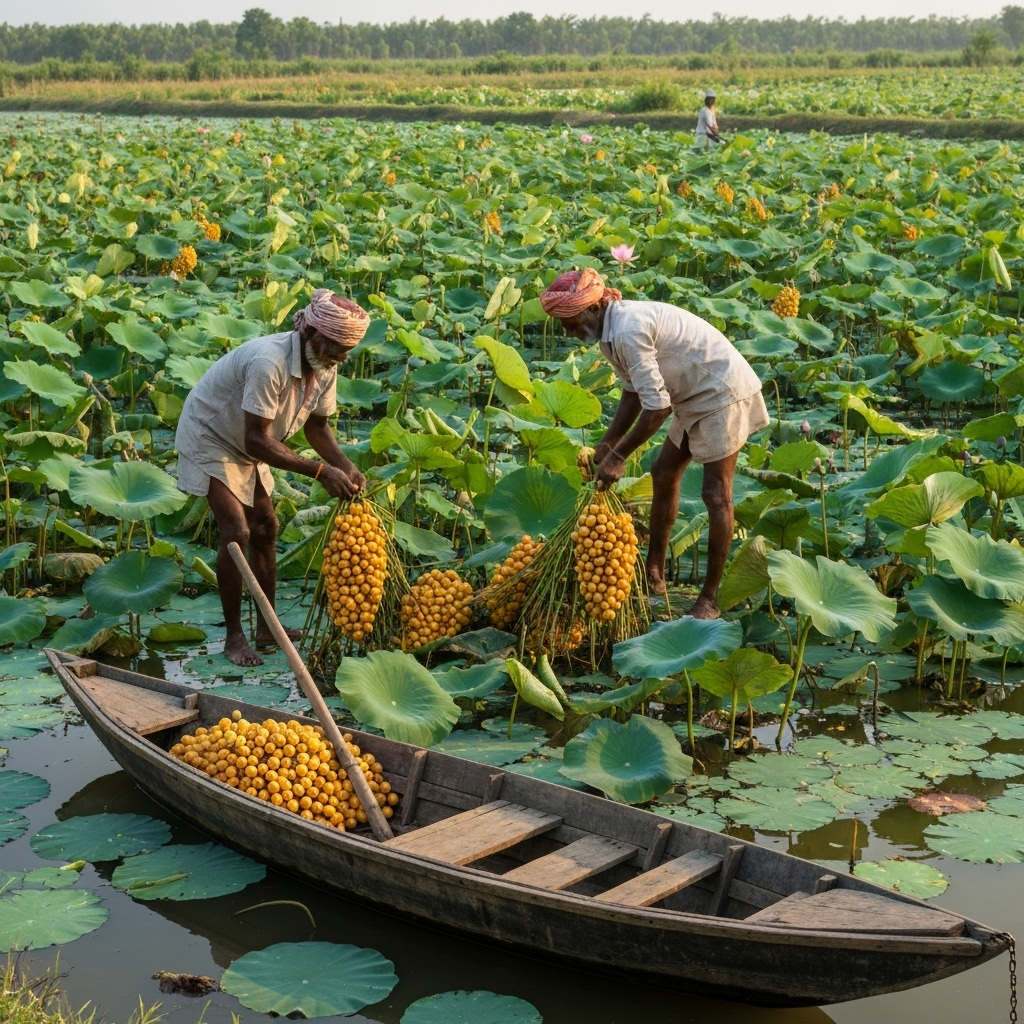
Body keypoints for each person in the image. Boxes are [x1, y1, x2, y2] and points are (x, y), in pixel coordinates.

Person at [540, 268, 769, 620]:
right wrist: (608, 442)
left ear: (597, 306)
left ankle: (709, 600)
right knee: (663, 472)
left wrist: (618, 457)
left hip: (723, 392)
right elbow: (634, 391)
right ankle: (654, 576)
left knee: (715, 493)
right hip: (691, 394)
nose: (568, 331)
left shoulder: (629, 329)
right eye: (562, 322)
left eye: (571, 319)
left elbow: (658, 407)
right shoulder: (609, 334)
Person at [175, 289, 371, 666]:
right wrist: (318, 471)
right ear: (312, 333)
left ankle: (267, 626)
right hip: (212, 434)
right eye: (335, 347)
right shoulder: (270, 361)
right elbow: (255, 439)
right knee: (237, 532)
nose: (341, 357)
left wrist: (345, 466)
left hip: (251, 440)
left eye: (346, 350)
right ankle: (235, 636)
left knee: (266, 528)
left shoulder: (325, 366)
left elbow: (318, 430)